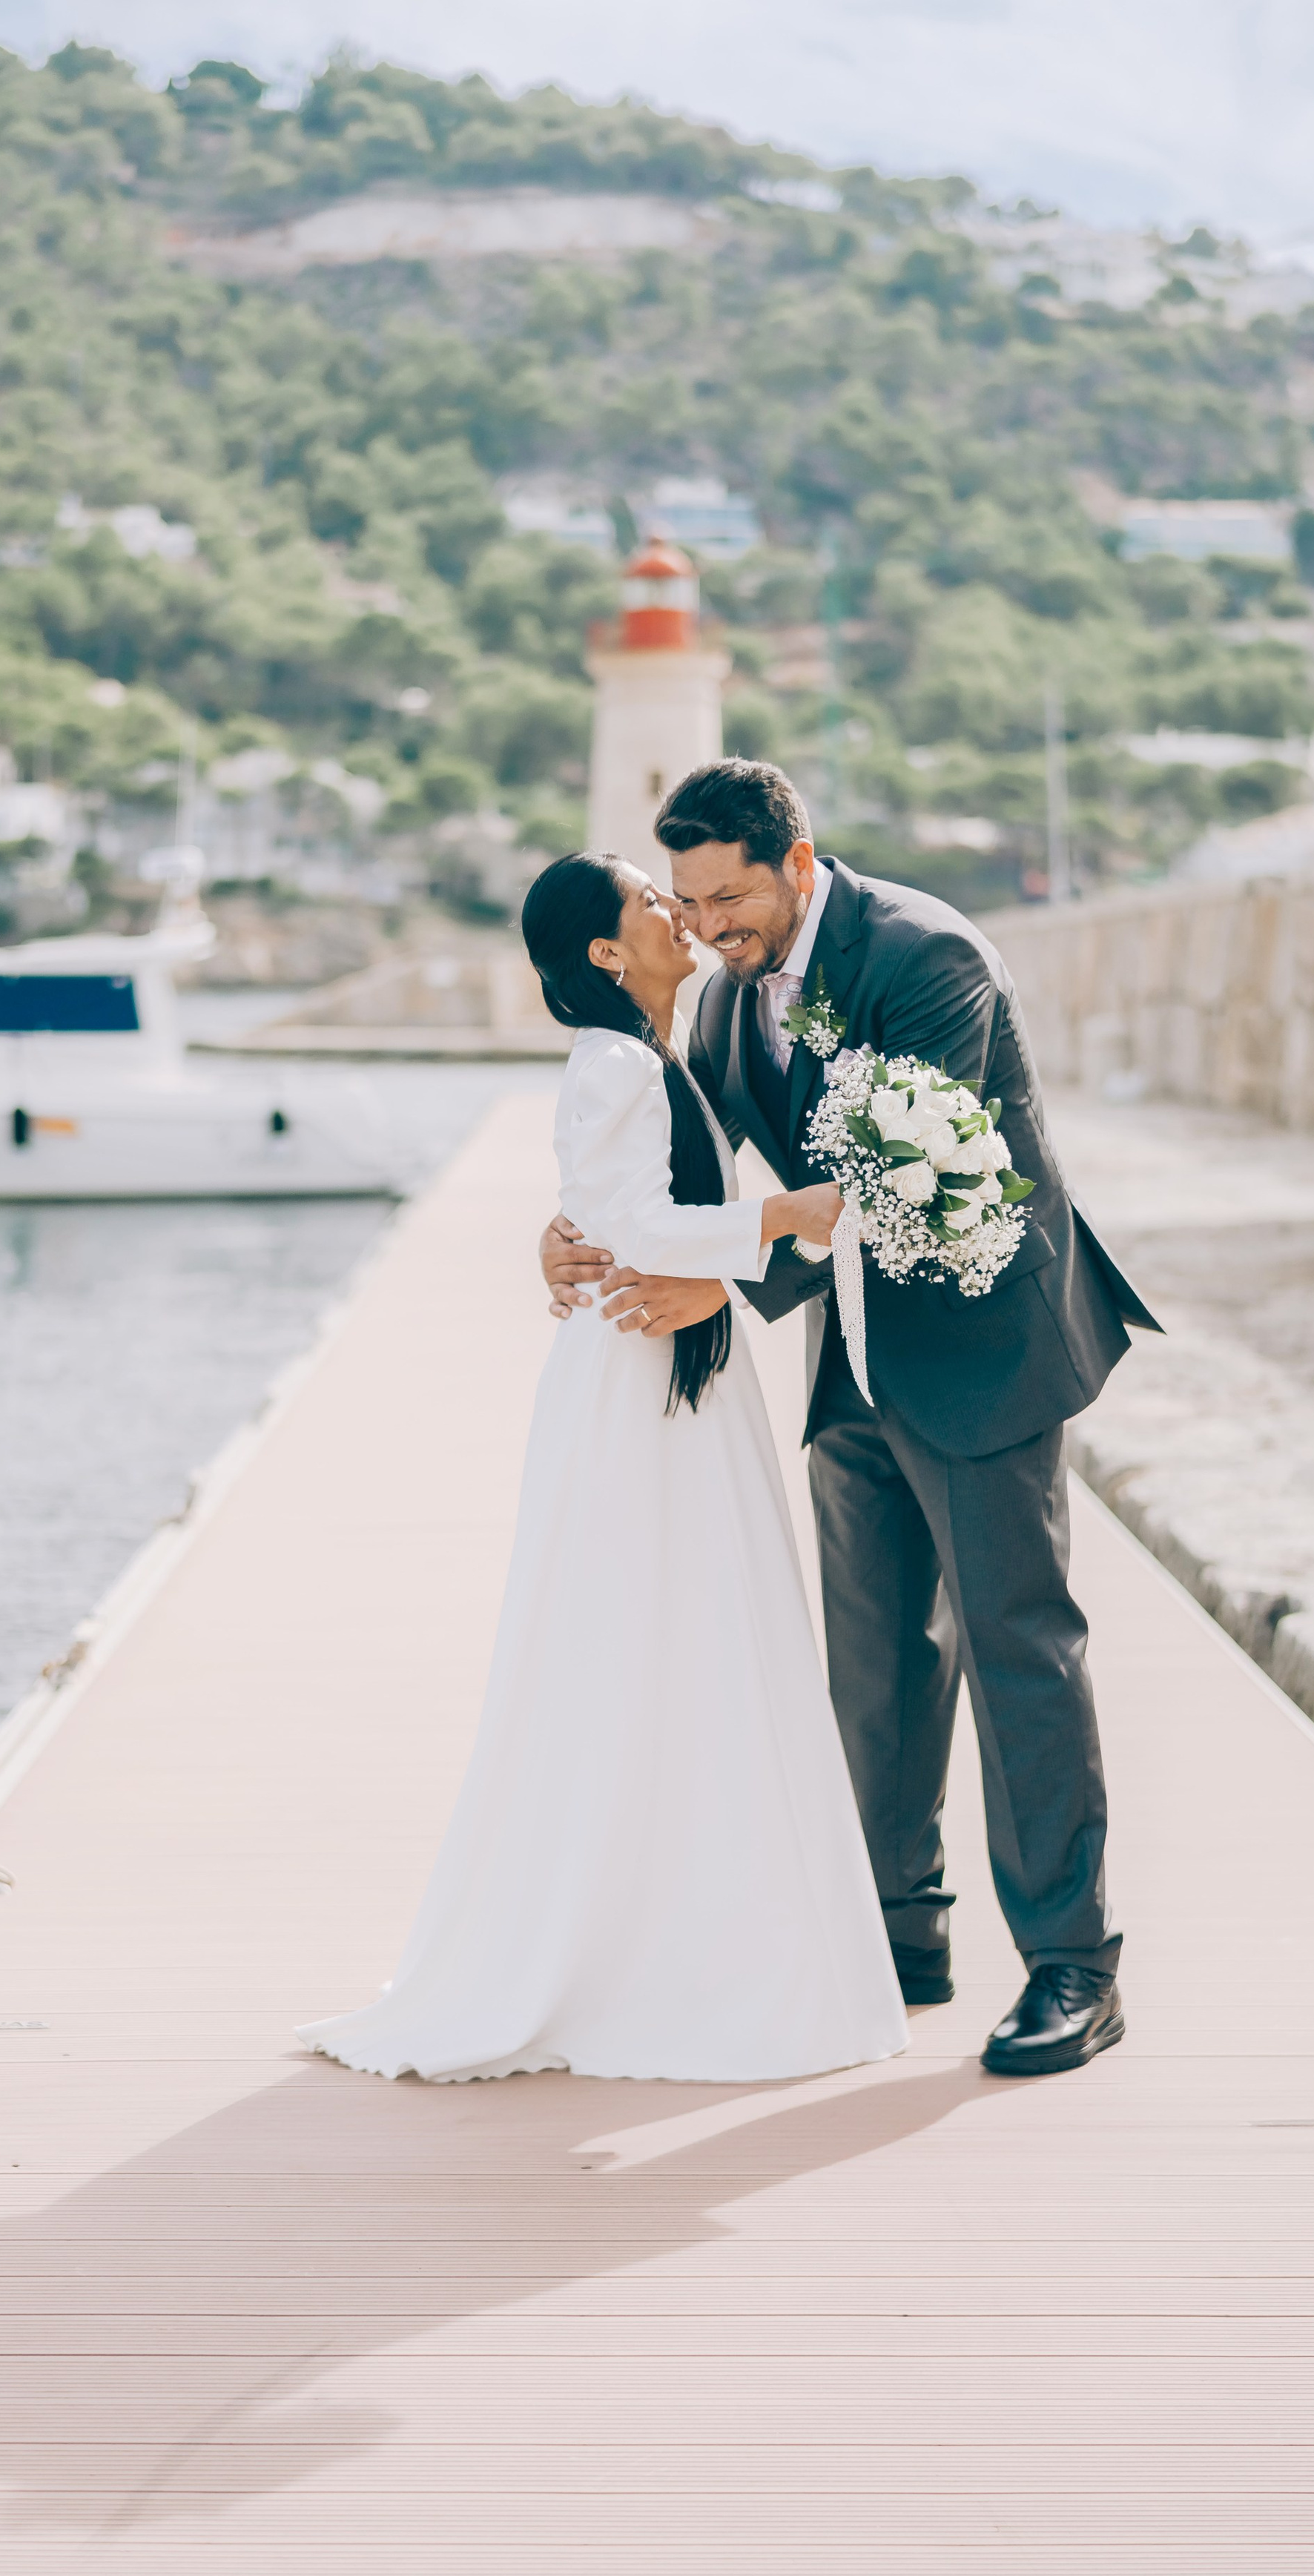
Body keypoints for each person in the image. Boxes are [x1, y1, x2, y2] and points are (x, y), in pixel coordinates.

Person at [541, 760, 1161, 2078]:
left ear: (799, 863)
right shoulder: (717, 1007)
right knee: (876, 1666)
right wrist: (579, 1230)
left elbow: (898, 1182)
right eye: (692, 901)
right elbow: (682, 1161)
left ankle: (1073, 1967)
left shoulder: (925, 959)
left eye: (731, 895)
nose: (709, 926)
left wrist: (713, 1275)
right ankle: (897, 1936)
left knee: (1018, 1646)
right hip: (852, 1362)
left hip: (983, 1347)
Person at [301, 852, 909, 2085]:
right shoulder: (619, 1062)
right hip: (644, 1376)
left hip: (663, 1366)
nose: (677, 913)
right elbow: (629, 1224)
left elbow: (605, 1206)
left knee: (684, 1640)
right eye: (649, 900)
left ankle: (679, 1927)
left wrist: (604, 1230)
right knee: (665, 1636)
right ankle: (648, 1951)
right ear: (602, 952)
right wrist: (791, 1217)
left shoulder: (653, 1057)